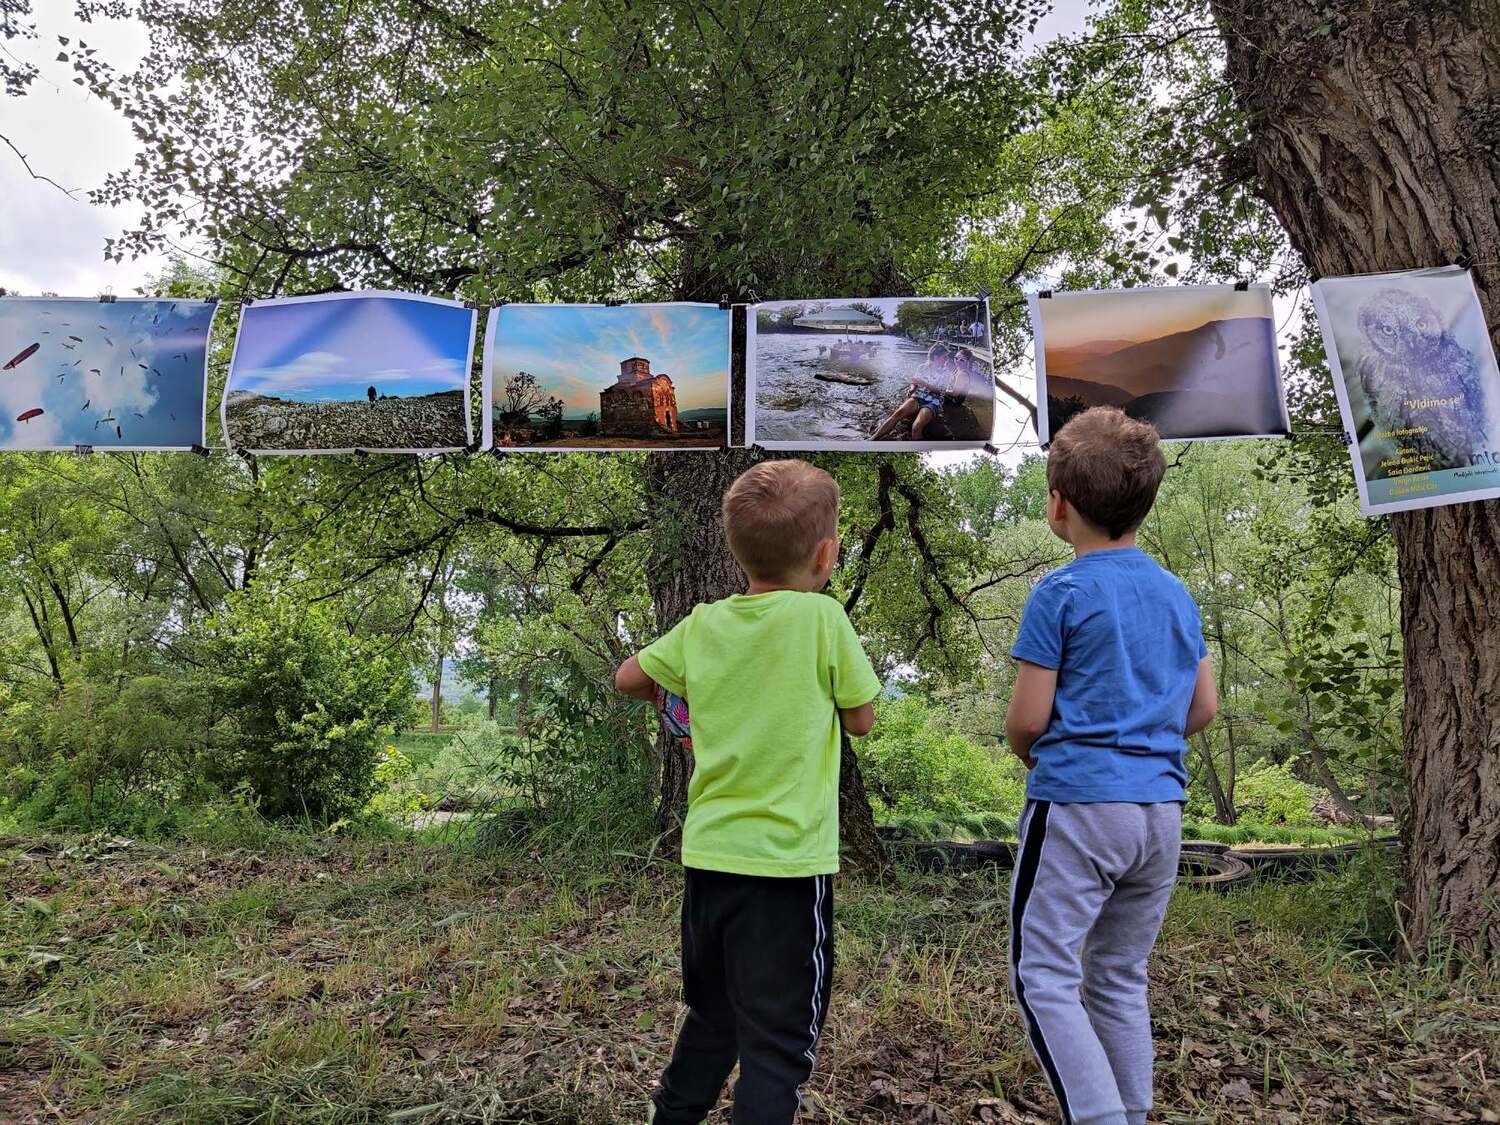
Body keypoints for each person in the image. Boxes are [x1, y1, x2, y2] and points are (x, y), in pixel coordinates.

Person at [614, 459, 882, 1125]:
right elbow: (862, 716)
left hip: (708, 865)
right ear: (826, 554)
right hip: (787, 872)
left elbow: (628, 677)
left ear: (737, 552)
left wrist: (674, 696)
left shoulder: (703, 624)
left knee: (714, 1017)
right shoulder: (823, 621)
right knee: (778, 1046)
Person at [1004, 406, 1217, 1125]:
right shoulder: (1176, 594)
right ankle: (1131, 1110)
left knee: (1044, 975)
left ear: (1059, 504)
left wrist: (1047, 756)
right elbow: (1203, 705)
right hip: (1160, 815)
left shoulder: (1059, 594)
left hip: (1078, 808)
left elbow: (1028, 720)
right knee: (1121, 975)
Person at [869, 344, 954, 441]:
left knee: (916, 427)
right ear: (936, 357)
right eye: (944, 357)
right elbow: (914, 382)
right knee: (897, 414)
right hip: (918, 396)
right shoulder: (922, 367)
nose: (946, 359)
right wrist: (912, 388)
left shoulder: (946, 372)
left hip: (933, 402)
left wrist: (923, 383)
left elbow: (940, 391)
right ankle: (872, 439)